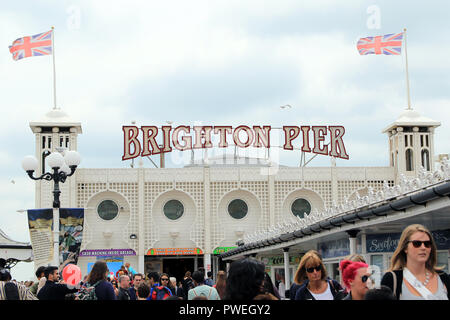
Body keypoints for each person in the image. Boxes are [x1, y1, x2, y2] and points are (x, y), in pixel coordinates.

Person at [381, 224, 449, 300]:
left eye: (427, 244)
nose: (423, 247)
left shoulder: (443, 277)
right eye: (417, 243)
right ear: (405, 248)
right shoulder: (392, 279)